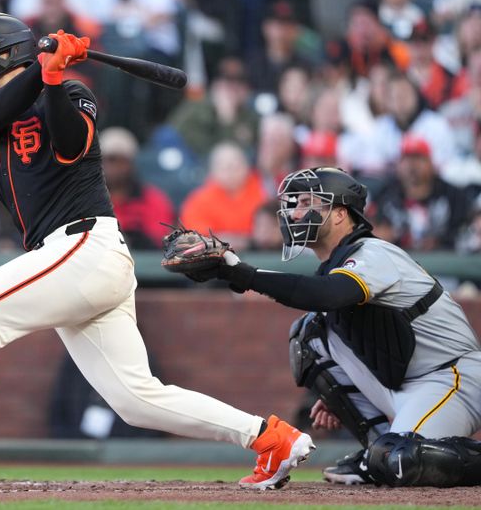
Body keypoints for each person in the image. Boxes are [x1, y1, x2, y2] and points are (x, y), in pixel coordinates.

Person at [0, 12, 314, 490]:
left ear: (6, 49)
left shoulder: (74, 93)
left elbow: (68, 143)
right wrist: (44, 70)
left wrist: (55, 77)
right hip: (70, 261)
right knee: (137, 401)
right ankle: (270, 437)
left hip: (86, 245)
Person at [171, 166, 481, 487]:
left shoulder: (372, 252)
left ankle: (388, 454)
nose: (295, 212)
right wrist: (341, 393)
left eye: (308, 202)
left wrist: (242, 274)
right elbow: (337, 314)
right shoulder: (334, 266)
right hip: (403, 380)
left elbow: (328, 295)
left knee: (402, 459)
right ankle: (378, 452)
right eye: (295, 203)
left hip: (451, 378)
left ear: (339, 214)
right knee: (309, 334)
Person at [99, 127, 173, 250]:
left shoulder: (154, 199)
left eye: (122, 160)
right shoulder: (87, 199)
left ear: (131, 163)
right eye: (109, 159)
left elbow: (160, 242)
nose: (115, 167)